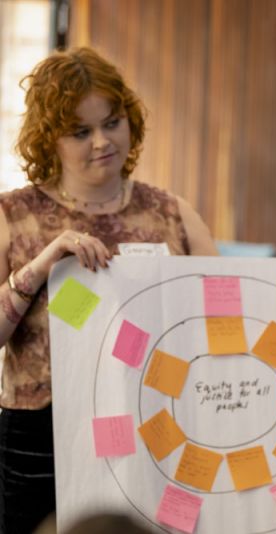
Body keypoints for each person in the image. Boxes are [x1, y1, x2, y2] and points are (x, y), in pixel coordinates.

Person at [0, 47, 217, 532]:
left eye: (112, 122)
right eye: (80, 131)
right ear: (48, 140)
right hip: (43, 438)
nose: (102, 141)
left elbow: (233, 312)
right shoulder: (13, 216)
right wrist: (38, 268)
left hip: (157, 425)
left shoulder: (171, 212)